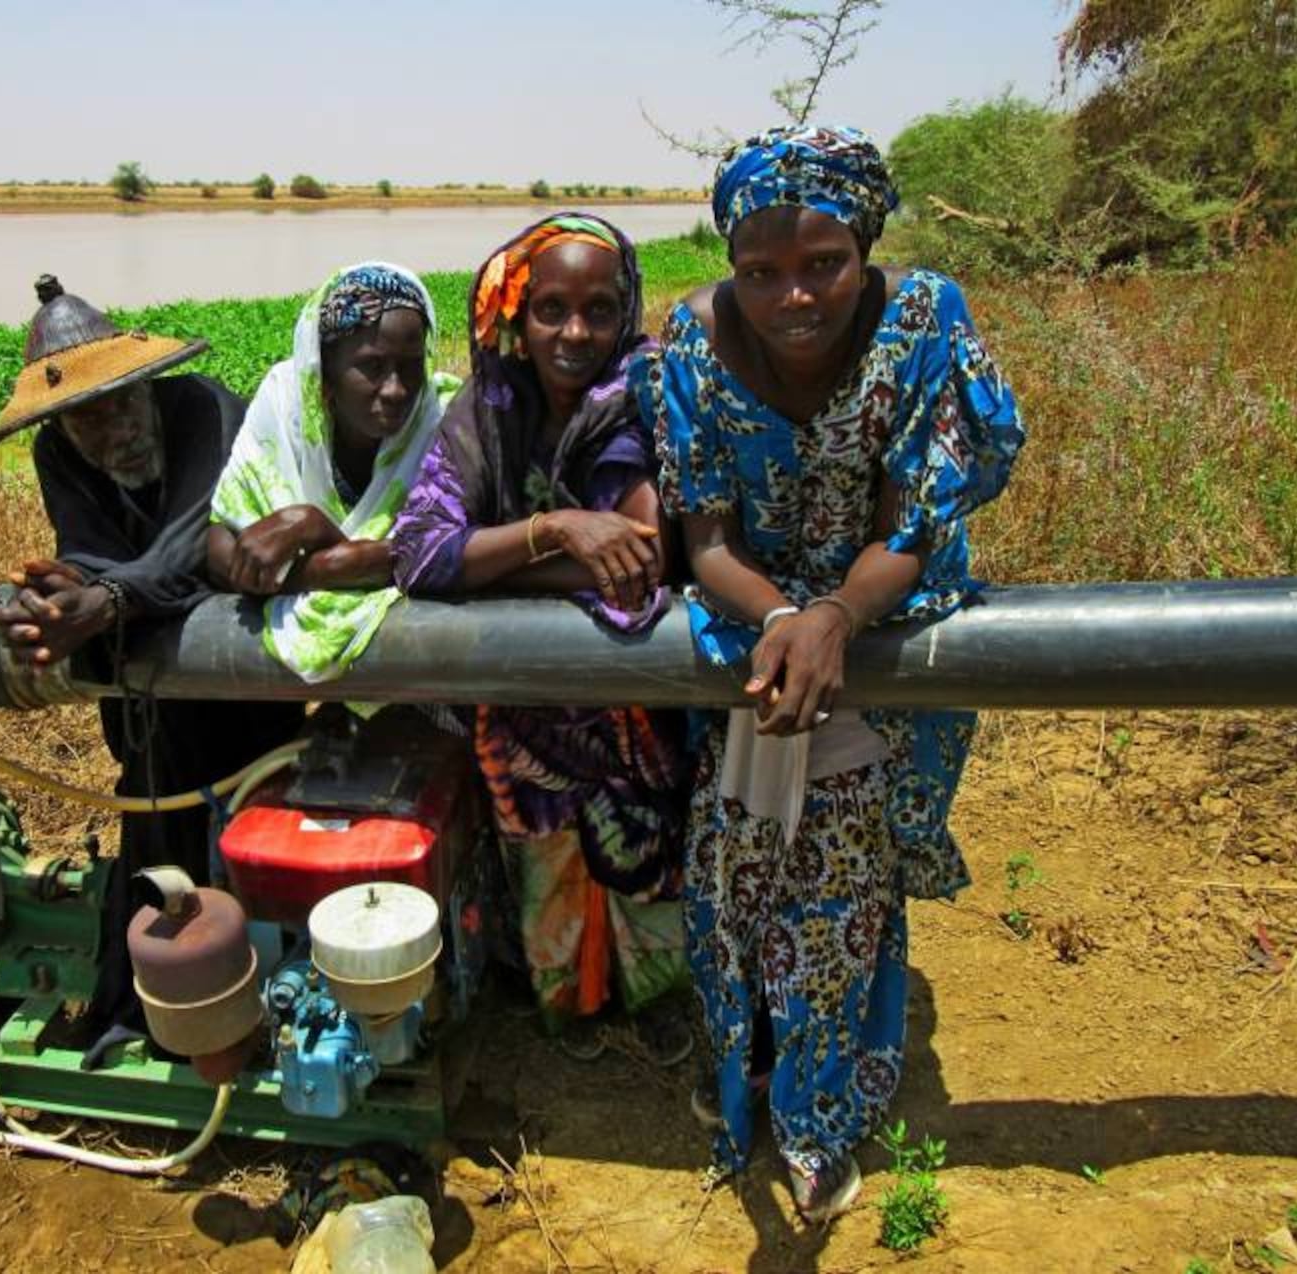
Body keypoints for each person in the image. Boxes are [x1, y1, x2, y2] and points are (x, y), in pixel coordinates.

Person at [634, 126, 1026, 1221]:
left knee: (840, 885)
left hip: (883, 624)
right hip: (747, 632)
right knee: (735, 873)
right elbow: (705, 540)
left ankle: (817, 1116)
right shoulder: (691, 342)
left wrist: (836, 620)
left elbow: (912, 522)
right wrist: (783, 621)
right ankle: (740, 1076)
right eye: (758, 272)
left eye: (822, 266)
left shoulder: (922, 323)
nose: (791, 297)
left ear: (865, 244)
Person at [390, 213, 691, 1064]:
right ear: (515, 315)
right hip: (526, 712)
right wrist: (558, 530)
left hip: (632, 700)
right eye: (550, 309)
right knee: (545, 858)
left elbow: (643, 560)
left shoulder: (641, 395)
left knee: (647, 857)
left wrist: (493, 557)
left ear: (625, 309)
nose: (575, 333)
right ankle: (568, 1001)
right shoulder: (483, 411)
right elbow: (417, 555)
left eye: (599, 309)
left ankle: (655, 1000)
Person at [0, 275, 304, 1027]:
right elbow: (89, 554)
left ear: (147, 386)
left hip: (247, 685)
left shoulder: (204, 410)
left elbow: (199, 539)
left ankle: (262, 993)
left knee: (256, 829)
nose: (109, 431)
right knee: (158, 833)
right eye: (83, 420)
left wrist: (108, 601)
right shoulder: (57, 456)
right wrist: (69, 594)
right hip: (153, 706)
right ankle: (153, 1002)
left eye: (120, 404)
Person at [208, 262, 459, 680]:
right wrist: (337, 565)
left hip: (426, 679)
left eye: (412, 364)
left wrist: (312, 536)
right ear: (323, 375)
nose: (398, 389)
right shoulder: (284, 405)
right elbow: (221, 541)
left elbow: (452, 550)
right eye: (372, 367)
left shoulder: (445, 420)